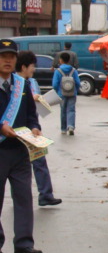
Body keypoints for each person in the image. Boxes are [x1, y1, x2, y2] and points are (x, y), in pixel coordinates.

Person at [0, 39, 42, 253]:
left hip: (20, 149)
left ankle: (24, 243)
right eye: (3, 56)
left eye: (11, 57)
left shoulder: (21, 84)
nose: (8, 61)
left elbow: (31, 115)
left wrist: (35, 128)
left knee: (24, 196)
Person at [16, 50, 62, 207]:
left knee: (39, 160)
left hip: (31, 130)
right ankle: (23, 197)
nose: (34, 69)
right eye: (32, 66)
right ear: (24, 67)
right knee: (17, 167)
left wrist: (35, 126)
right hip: (16, 132)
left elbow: (31, 110)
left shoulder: (31, 82)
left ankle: (46, 194)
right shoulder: (13, 84)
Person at [52, 51, 81, 135]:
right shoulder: (73, 70)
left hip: (61, 93)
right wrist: (76, 90)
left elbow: (55, 84)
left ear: (61, 60)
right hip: (72, 93)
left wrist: (57, 91)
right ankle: (71, 126)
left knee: (63, 110)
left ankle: (63, 129)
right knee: (71, 109)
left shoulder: (58, 71)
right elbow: (78, 82)